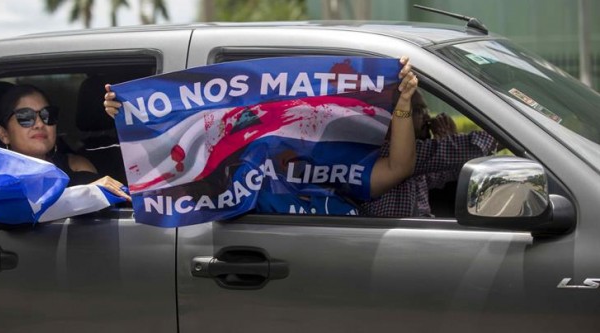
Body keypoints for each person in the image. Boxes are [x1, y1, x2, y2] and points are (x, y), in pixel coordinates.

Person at [103, 57, 418, 215]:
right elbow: (170, 176)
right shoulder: (234, 182)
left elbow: (398, 168)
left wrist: (403, 103)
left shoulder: (328, 168)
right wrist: (134, 118)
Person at [360, 90, 497, 217]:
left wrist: (446, 140)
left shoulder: (414, 161)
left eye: (426, 110)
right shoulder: (388, 152)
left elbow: (444, 172)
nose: (428, 118)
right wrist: (498, 137)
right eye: (419, 111)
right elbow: (461, 150)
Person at [0, 84, 131, 201]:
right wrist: (87, 193)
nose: (39, 124)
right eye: (25, 117)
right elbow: (15, 211)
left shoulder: (76, 166)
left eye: (47, 115)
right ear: (3, 134)